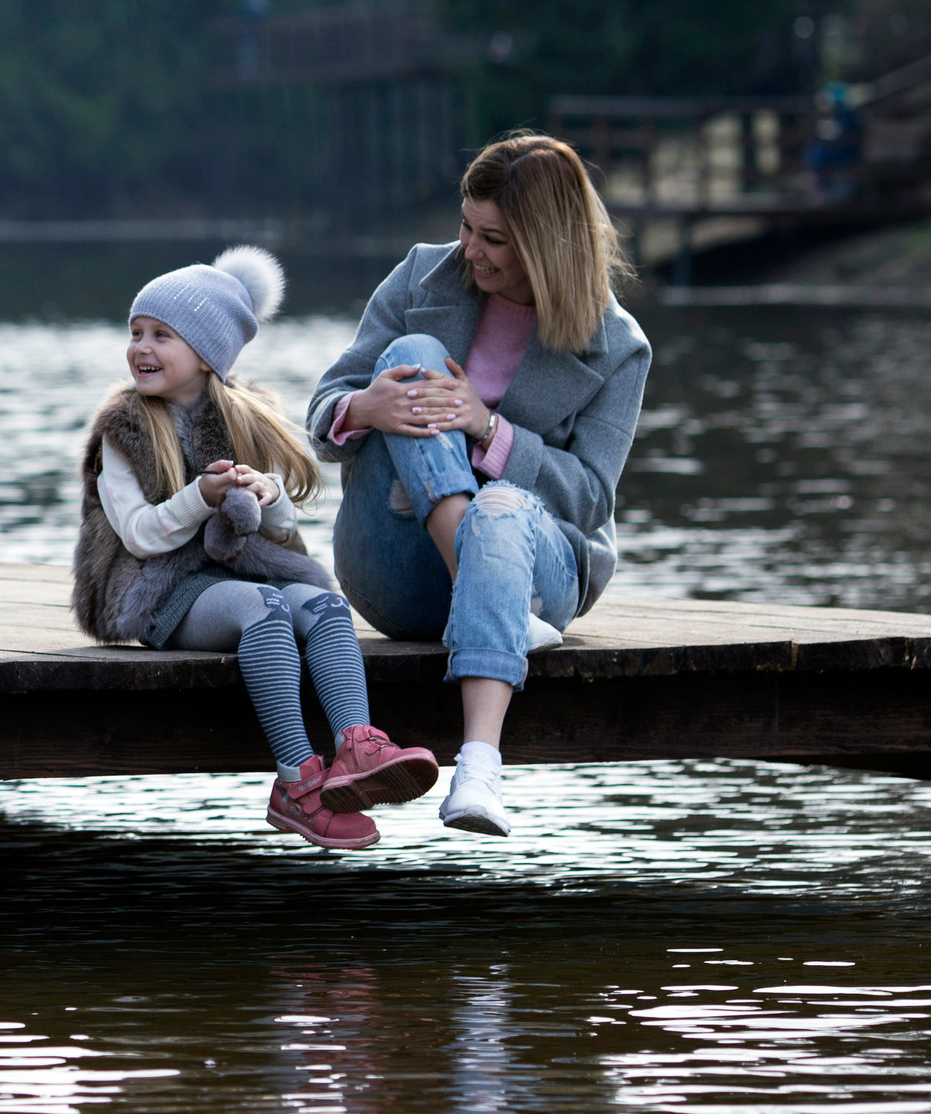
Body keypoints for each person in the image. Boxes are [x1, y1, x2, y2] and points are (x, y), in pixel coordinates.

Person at [308, 133, 650, 838]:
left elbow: (589, 498)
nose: (470, 248)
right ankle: (477, 584)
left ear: (545, 243)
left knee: (499, 505)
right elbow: (322, 406)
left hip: (535, 579)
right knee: (410, 357)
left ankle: (478, 770)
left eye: (493, 238)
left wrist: (490, 430)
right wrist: (360, 408)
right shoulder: (420, 278)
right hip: (398, 565)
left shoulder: (618, 345)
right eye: (466, 225)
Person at [73, 247, 435, 851]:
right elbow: (138, 534)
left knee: (324, 608)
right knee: (263, 609)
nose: (141, 347)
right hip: (156, 588)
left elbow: (283, 516)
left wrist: (265, 493)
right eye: (136, 332)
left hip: (237, 570)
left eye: (162, 335)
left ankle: (357, 745)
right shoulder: (125, 428)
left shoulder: (242, 413)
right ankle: (297, 783)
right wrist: (202, 496)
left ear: (207, 352)